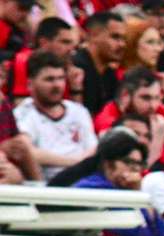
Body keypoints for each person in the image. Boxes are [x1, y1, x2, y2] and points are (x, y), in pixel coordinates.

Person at [14, 51, 98, 181]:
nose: (57, 85)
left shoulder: (79, 111)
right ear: (30, 84)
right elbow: (27, 152)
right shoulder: (23, 113)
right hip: (46, 184)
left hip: (82, 182)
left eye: (61, 78)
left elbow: (93, 149)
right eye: (49, 79)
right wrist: (74, 162)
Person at [72, 12, 127, 116]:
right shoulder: (76, 67)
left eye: (123, 38)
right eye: (115, 37)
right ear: (93, 35)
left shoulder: (110, 74)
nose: (122, 44)